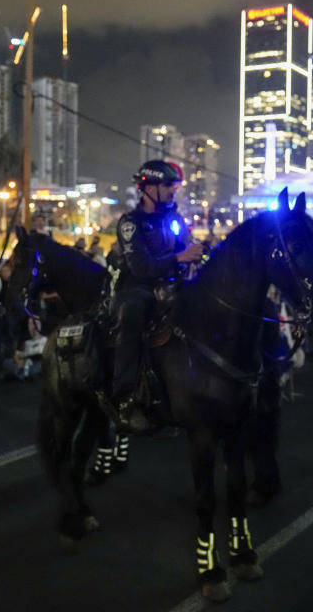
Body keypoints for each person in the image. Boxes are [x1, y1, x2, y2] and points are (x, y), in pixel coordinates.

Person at [112, 160, 204, 431]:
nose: (172, 191)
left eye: (174, 186)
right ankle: (125, 397)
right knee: (132, 313)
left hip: (172, 285)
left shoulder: (173, 218)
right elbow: (140, 267)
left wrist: (200, 253)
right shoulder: (131, 223)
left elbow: (187, 249)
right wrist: (179, 257)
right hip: (137, 288)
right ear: (148, 187)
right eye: (167, 186)